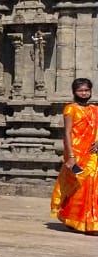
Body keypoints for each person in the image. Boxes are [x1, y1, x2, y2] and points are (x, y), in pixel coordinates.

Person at [51, 78, 98, 235]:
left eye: (86, 90)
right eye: (80, 90)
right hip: (76, 152)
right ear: (74, 92)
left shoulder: (95, 109)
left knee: (92, 185)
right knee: (76, 186)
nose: (84, 93)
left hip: (92, 153)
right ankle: (73, 219)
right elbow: (67, 133)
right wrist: (71, 156)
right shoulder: (70, 109)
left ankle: (89, 222)